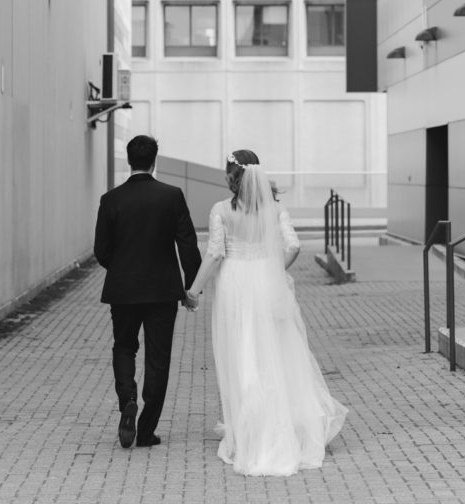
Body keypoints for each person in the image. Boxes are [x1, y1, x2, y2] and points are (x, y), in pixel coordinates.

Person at [185, 149, 347, 477]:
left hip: (236, 283)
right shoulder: (275, 210)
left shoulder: (221, 210)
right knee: (274, 352)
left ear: (232, 176)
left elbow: (215, 254)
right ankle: (280, 423)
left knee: (242, 353)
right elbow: (294, 246)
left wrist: (193, 290)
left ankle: (250, 431)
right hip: (266, 281)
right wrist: (273, 269)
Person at [94, 134, 201, 449]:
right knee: (158, 358)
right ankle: (146, 430)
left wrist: (122, 269)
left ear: (129, 161)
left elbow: (102, 250)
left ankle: (127, 398)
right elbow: (187, 243)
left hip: (123, 290)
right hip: (162, 291)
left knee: (124, 347)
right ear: (155, 161)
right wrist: (191, 285)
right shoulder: (171, 196)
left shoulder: (110, 200)